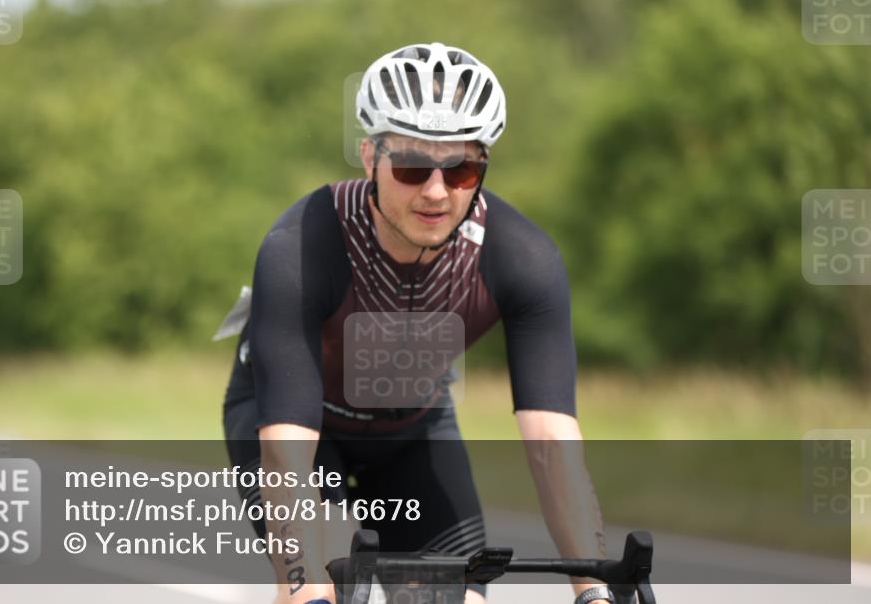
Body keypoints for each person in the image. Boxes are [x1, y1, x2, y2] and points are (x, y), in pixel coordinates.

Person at [223, 42, 613, 604]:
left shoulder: (520, 257)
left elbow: (553, 442)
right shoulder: (302, 246)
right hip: (302, 428)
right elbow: (289, 451)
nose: (434, 191)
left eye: (461, 169)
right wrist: (303, 585)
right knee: (322, 586)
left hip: (412, 425)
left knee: (462, 599)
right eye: (410, 166)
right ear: (368, 158)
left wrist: (592, 587)